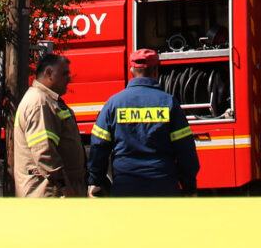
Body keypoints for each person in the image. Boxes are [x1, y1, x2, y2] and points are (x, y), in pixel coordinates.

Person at [88, 47, 199, 197]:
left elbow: (99, 146)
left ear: (131, 71)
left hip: (126, 187)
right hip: (164, 186)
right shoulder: (169, 102)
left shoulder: (114, 103)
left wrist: (95, 181)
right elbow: (185, 149)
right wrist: (189, 186)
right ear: (156, 71)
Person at [14, 51, 87, 198]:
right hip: (47, 195)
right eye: (64, 74)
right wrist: (64, 185)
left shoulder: (47, 101)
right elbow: (44, 151)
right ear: (49, 73)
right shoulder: (39, 103)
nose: (69, 79)